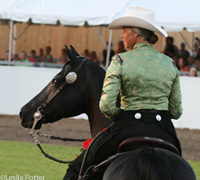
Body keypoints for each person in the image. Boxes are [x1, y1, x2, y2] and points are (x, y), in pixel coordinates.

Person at [64, 6, 183, 180]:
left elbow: (106, 105)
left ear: (135, 34)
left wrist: (121, 115)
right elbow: (176, 111)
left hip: (128, 127)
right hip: (164, 129)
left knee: (76, 171)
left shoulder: (120, 61)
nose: (122, 35)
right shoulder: (170, 64)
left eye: (124, 31)